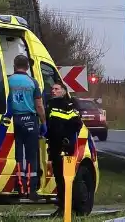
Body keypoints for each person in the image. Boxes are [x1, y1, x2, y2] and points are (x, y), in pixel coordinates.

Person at [7, 54, 45, 199]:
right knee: (31, 155)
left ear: (14, 65)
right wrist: (43, 122)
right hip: (30, 119)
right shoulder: (32, 82)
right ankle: (31, 190)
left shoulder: (8, 80)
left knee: (17, 154)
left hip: (13, 120)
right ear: (28, 67)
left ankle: (19, 187)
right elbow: (39, 105)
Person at [45, 82, 83, 216]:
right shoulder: (50, 104)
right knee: (59, 178)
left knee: (67, 178)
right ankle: (62, 207)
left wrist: (67, 139)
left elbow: (77, 124)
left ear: (64, 90)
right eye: (52, 89)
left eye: (56, 89)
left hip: (67, 146)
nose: (53, 91)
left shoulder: (70, 104)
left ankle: (70, 209)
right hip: (54, 146)